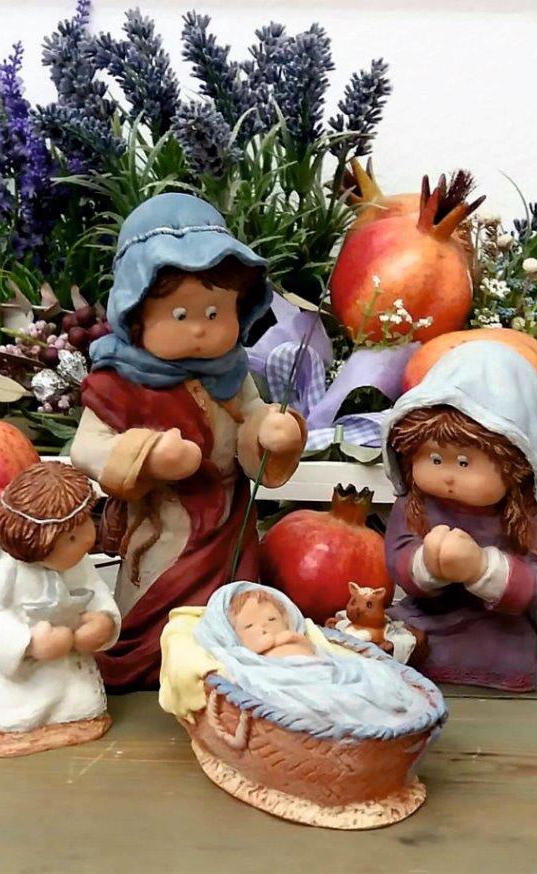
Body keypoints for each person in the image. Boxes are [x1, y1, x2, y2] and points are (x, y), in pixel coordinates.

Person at [71, 193, 306, 690]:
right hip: (162, 526)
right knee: (157, 609)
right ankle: (152, 663)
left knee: (227, 611)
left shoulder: (231, 374)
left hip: (227, 527)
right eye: (181, 314)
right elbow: (87, 448)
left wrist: (272, 433)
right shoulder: (117, 382)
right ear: (135, 311)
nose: (201, 329)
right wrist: (147, 456)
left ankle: (221, 668)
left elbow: (251, 422)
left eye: (216, 312)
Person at [381, 341, 537, 697]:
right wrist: (426, 564)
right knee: (398, 633)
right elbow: (398, 555)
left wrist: (480, 568)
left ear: (515, 462)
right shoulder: (416, 502)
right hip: (432, 612)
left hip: (500, 620)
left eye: (465, 462)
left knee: (506, 650)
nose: (448, 476)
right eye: (434, 459)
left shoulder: (528, 510)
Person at [0, 462, 120, 757]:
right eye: (71, 538)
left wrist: (103, 622)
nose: (86, 539)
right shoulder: (9, 569)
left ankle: (72, 713)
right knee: (19, 716)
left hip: (67, 663)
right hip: (24, 672)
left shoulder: (77, 561)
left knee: (83, 704)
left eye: (85, 524)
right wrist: (28, 643)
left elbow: (96, 592)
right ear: (37, 545)